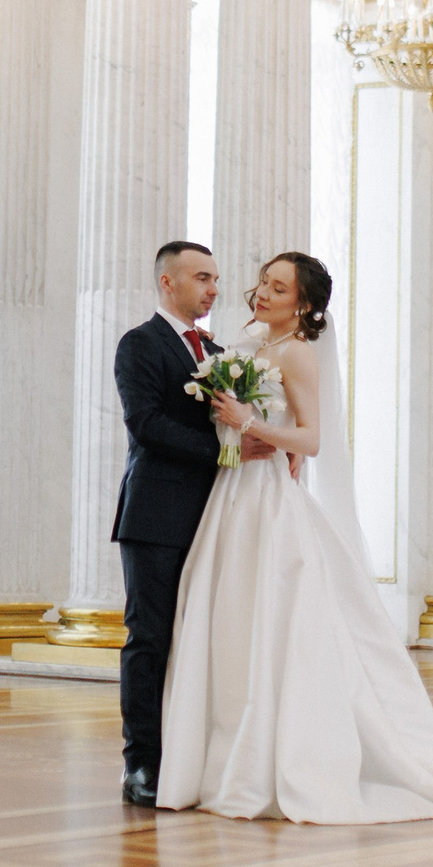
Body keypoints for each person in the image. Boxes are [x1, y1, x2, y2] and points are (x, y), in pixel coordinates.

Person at [156, 251, 433, 826]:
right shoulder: (247, 349)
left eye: (278, 288)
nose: (263, 294)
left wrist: (247, 422)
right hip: (231, 497)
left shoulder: (297, 354)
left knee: (274, 617)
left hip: (268, 500)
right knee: (230, 620)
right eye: (263, 283)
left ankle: (272, 758)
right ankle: (220, 755)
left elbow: (311, 440)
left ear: (303, 304)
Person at [110, 240, 259, 808]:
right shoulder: (139, 344)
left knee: (204, 638)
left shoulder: (220, 353)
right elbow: (145, 424)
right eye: (202, 278)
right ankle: (141, 764)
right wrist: (226, 454)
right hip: (156, 514)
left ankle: (195, 758)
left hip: (217, 515)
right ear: (167, 282)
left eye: (215, 278)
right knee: (150, 638)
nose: (213, 289)